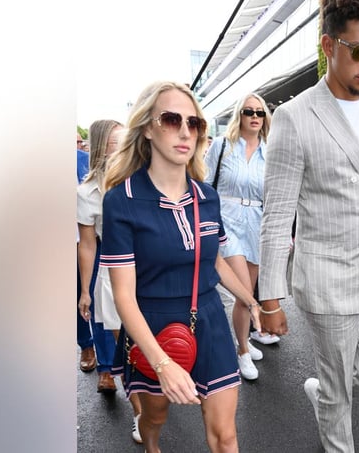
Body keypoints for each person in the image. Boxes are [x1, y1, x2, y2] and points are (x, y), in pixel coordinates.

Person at [258, 0, 359, 452]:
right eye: (358, 50)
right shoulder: (295, 117)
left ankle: (322, 389)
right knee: (341, 394)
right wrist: (270, 298)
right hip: (328, 279)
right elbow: (278, 213)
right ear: (328, 45)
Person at [102, 81, 262, 453]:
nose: (186, 131)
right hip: (152, 324)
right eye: (172, 119)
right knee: (155, 418)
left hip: (208, 319)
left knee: (225, 435)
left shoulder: (208, 196)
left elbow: (214, 260)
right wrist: (161, 364)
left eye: (196, 123)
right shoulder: (121, 201)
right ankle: (152, 446)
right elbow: (123, 295)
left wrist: (251, 301)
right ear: (147, 128)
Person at [77, 119, 144, 442]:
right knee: (130, 351)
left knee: (153, 347)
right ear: (102, 147)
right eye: (116, 142)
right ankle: (141, 414)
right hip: (112, 276)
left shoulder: (143, 177)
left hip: (150, 271)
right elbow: (88, 245)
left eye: (125, 140)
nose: (123, 146)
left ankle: (154, 402)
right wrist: (85, 292)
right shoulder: (87, 192)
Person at [205, 93, 274, 381]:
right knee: (244, 293)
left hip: (257, 223)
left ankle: (243, 337)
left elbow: (275, 195)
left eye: (260, 111)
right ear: (240, 115)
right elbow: (205, 184)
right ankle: (243, 352)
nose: (255, 116)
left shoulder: (271, 151)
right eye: (249, 111)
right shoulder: (222, 146)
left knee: (251, 289)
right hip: (227, 221)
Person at [77, 139, 95, 373]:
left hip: (87, 235)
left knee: (91, 292)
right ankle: (86, 345)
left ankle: (109, 368)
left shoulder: (83, 159)